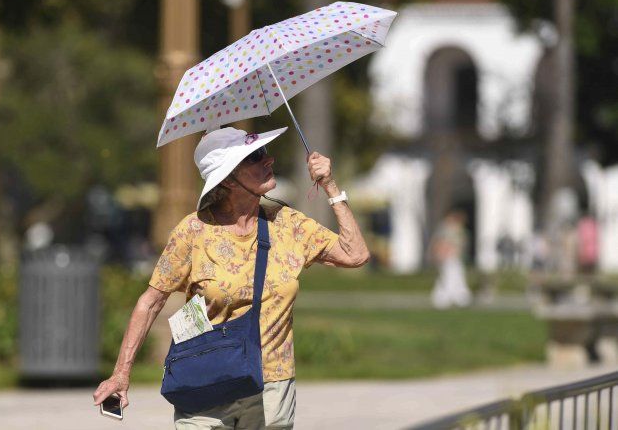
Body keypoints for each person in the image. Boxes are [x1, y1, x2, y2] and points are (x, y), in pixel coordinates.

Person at [93, 126, 370, 429]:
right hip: (205, 382)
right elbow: (151, 302)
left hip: (271, 386)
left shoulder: (288, 223)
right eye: (255, 156)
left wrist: (330, 186)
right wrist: (121, 373)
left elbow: (355, 254)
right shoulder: (194, 231)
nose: (269, 160)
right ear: (227, 179)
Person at [429, 210, 472, 309]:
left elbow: (460, 244)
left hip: (454, 257)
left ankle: (459, 297)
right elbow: (441, 243)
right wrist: (441, 254)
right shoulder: (446, 229)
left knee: (455, 276)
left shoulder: (458, 230)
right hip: (448, 257)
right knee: (448, 277)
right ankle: (444, 298)